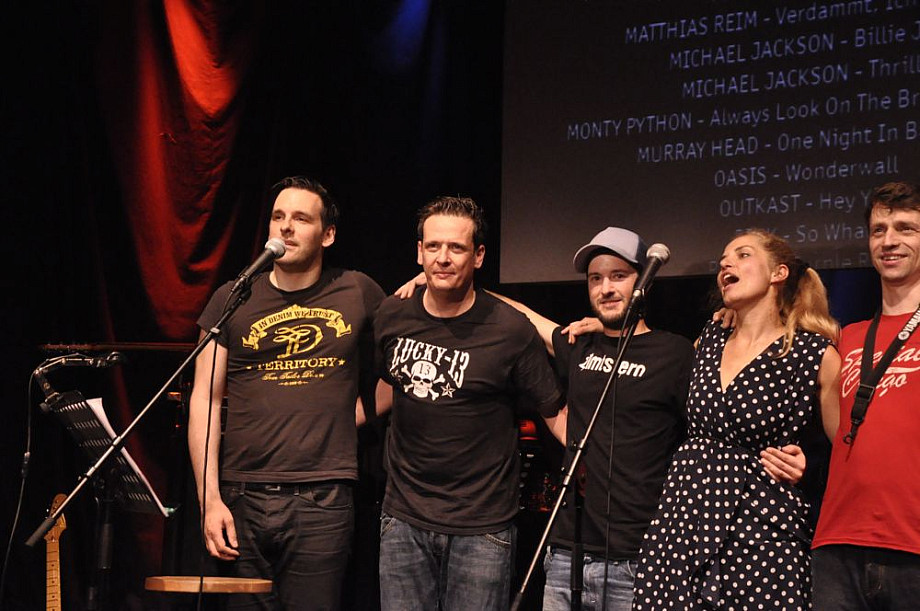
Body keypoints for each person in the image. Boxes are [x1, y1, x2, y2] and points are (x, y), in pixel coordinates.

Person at [435, 227, 806, 611]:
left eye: (618, 276)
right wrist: (444, 289)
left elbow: (718, 420)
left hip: (641, 558)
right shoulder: (580, 343)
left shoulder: (676, 353)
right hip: (567, 555)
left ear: (644, 282)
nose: (606, 288)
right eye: (595, 279)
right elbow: (524, 316)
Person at [188, 176, 386, 610]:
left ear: (327, 234)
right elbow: (205, 399)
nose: (286, 227)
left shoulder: (358, 290)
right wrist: (209, 500)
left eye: (301, 218)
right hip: (241, 496)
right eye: (278, 217)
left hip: (323, 499)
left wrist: (344, 417)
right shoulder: (232, 298)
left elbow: (401, 371)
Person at [631, 229, 840, 610]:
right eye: (723, 259)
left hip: (762, 530)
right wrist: (602, 332)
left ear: (778, 273)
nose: (726, 263)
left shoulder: (813, 354)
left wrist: (810, 468)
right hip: (684, 521)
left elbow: (849, 452)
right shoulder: (709, 339)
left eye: (743, 255)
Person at [373, 195, 564, 611]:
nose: (443, 258)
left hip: (482, 529)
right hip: (403, 520)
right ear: (419, 252)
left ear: (477, 256)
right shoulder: (391, 314)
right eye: (433, 246)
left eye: (456, 248)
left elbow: (552, 411)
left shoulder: (510, 330)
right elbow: (387, 386)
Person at [811, 181, 920, 609]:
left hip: (913, 545)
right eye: (878, 230)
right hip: (838, 546)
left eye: (905, 228)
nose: (889, 241)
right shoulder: (846, 339)